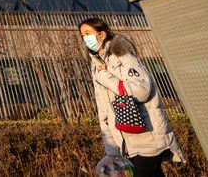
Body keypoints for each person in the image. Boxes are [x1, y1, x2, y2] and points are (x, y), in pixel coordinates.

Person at [79, 17, 185, 177]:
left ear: (102, 34)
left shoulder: (122, 56)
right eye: (82, 35)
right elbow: (104, 110)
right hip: (127, 142)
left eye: (88, 33)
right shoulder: (96, 65)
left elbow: (142, 90)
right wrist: (111, 150)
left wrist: (105, 77)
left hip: (146, 138)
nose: (85, 38)